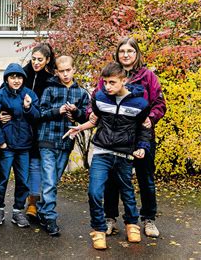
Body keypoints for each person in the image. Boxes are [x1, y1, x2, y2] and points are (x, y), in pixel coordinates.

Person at [65, 62, 152, 250]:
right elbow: (95, 120)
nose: (107, 86)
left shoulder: (140, 103)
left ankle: (132, 224)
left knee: (127, 192)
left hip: (124, 155)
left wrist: (143, 147)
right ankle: (98, 229)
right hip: (101, 152)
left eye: (112, 82)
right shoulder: (100, 98)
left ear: (124, 80)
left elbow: (145, 129)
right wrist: (80, 127)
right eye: (105, 82)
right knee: (94, 192)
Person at [89, 37, 166, 238]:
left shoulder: (148, 76)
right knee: (113, 181)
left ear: (137, 53)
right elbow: (96, 100)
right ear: (117, 54)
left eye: (130, 51)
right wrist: (91, 113)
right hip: (114, 140)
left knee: (145, 179)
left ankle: (148, 219)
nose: (125, 54)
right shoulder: (109, 75)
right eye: (122, 50)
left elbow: (159, 103)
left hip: (140, 137)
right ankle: (110, 219)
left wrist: (151, 117)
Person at [36, 56, 89, 236]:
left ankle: (42, 210)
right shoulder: (49, 89)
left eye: (68, 70)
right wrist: (57, 110)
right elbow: (40, 113)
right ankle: (50, 217)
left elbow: (86, 118)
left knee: (54, 179)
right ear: (56, 72)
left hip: (66, 141)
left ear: (74, 69)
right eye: (61, 71)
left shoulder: (81, 93)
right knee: (49, 179)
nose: (65, 74)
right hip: (47, 139)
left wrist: (76, 112)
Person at [0, 63, 40, 228]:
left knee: (23, 181)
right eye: (12, 77)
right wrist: (0, 142)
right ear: (7, 79)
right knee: (2, 179)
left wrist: (28, 107)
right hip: (7, 146)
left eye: (19, 77)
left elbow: (37, 117)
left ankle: (18, 211)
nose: (16, 80)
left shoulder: (29, 94)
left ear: (23, 79)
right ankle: (0, 209)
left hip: (24, 146)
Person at [21, 43, 56, 218]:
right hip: (20, 126)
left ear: (47, 60)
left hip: (39, 128)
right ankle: (16, 203)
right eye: (33, 59)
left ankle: (33, 203)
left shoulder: (50, 80)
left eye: (40, 60)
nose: (35, 63)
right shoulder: (21, 74)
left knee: (35, 165)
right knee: (21, 166)